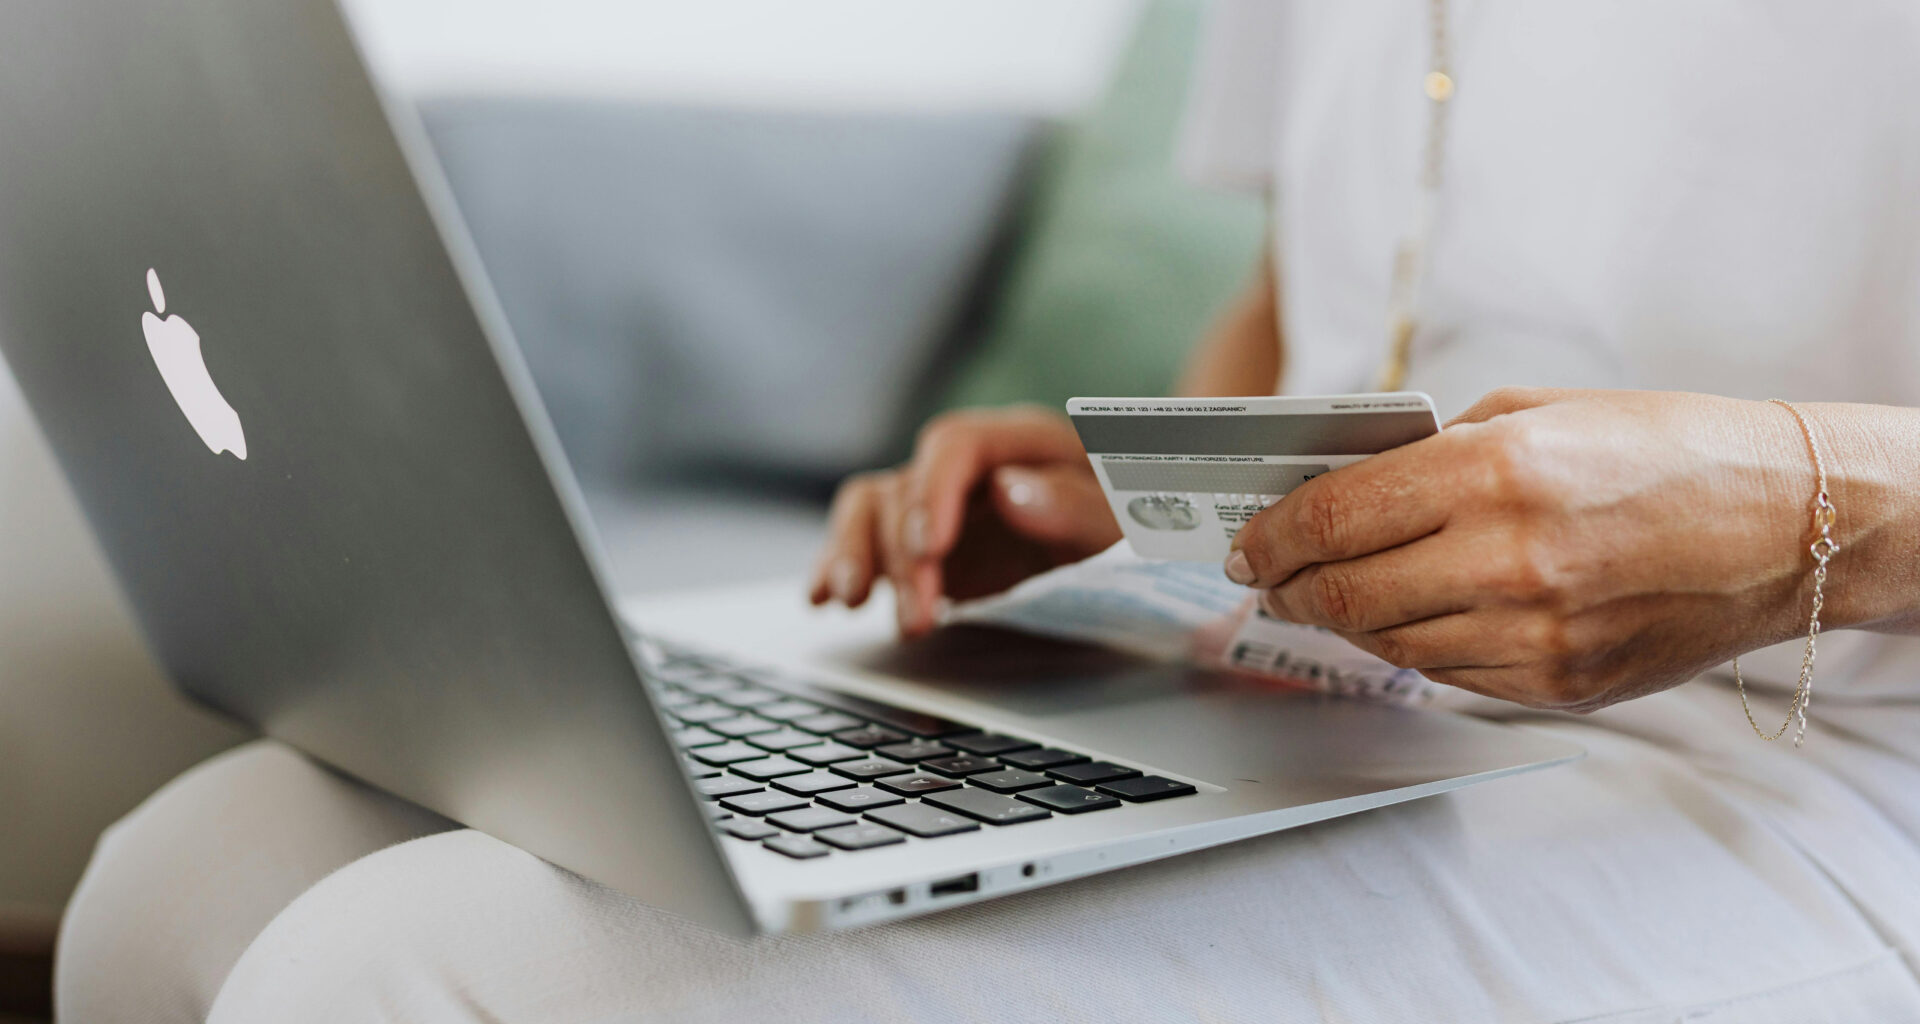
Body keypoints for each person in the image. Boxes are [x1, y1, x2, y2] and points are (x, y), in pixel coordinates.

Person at [57, 3, 1920, 1021]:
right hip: (1331, 691)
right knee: (196, 871)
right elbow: (1306, 299)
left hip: (1800, 764)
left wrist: (1804, 504)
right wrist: (1160, 505)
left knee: (400, 978)